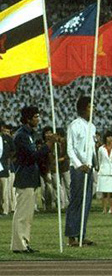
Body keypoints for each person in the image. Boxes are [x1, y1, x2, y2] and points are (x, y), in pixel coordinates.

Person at [11, 106, 53, 253]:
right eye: (35, 116)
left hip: (30, 178)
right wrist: (48, 146)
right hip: (24, 177)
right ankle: (19, 245)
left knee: (27, 215)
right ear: (28, 118)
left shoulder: (29, 134)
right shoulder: (21, 135)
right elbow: (32, 156)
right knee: (22, 213)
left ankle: (24, 242)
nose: (38, 119)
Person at [64, 96, 96, 247]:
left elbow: (91, 148)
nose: (92, 110)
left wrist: (95, 163)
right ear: (83, 109)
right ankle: (71, 236)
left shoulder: (92, 126)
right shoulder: (74, 125)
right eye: (90, 107)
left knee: (87, 202)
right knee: (76, 201)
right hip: (78, 169)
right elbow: (70, 148)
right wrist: (78, 164)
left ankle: (82, 235)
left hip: (89, 168)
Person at [96, 130, 112, 214]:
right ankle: (104, 209)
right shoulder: (101, 149)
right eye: (108, 137)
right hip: (104, 171)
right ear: (105, 138)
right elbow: (99, 160)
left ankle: (111, 209)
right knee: (105, 192)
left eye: (111, 137)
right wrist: (100, 169)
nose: (110, 139)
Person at [1, 122, 16, 216]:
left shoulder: (7, 138)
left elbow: (14, 150)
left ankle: (5, 210)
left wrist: (9, 159)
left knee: (5, 190)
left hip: (4, 166)